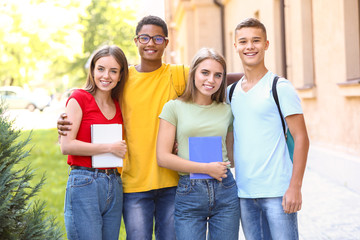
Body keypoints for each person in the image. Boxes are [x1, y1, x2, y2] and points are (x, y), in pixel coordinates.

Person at [57, 15, 242, 239]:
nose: (150, 43)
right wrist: (67, 119)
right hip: (134, 182)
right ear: (136, 41)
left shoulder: (177, 74)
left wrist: (252, 80)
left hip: (172, 181)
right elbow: (97, 95)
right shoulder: (123, 78)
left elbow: (210, 75)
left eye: (157, 38)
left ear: (166, 42)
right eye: (144, 37)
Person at [229, 17, 309, 239]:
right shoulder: (231, 92)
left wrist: (295, 187)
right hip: (244, 192)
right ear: (235, 46)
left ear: (266, 44)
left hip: (278, 192)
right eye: (243, 41)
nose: (250, 46)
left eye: (256, 40)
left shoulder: (280, 87)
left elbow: (301, 138)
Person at [156, 47, 240, 240]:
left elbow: (231, 155)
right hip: (189, 192)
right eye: (205, 72)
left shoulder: (227, 110)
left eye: (218, 75)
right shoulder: (173, 108)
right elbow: (163, 157)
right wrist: (206, 168)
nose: (211, 80)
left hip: (225, 190)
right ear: (193, 72)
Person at [60, 45, 128, 240]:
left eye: (113, 71)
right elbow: (66, 146)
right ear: (92, 70)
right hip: (85, 182)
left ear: (120, 75)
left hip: (113, 183)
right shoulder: (79, 98)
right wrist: (109, 148)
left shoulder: (118, 104)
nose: (106, 76)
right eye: (100, 69)